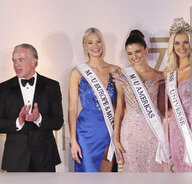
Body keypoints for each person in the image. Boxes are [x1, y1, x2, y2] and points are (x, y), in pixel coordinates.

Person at [0, 43, 63, 172]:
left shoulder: (52, 86)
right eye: (14, 61)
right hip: (15, 158)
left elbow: (58, 121)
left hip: (44, 157)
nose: (16, 64)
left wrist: (39, 118)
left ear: (34, 61)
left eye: (21, 60)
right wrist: (18, 122)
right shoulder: (3, 88)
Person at [113, 30, 168, 172]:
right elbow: (119, 109)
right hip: (129, 131)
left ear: (146, 50)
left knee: (153, 171)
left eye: (138, 51)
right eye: (130, 53)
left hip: (153, 131)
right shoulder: (122, 76)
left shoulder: (159, 76)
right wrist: (116, 138)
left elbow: (163, 110)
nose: (134, 56)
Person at [68, 27, 119, 172]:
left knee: (108, 176)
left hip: (109, 132)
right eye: (90, 43)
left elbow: (119, 107)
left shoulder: (115, 70)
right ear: (84, 45)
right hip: (86, 133)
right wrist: (73, 140)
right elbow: (72, 109)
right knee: (88, 175)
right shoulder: (77, 72)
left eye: (98, 42)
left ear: (103, 44)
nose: (95, 46)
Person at [164, 18, 192, 172]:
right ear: (172, 45)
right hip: (175, 132)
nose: (181, 47)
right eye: (177, 43)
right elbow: (168, 107)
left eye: (185, 42)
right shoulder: (168, 72)